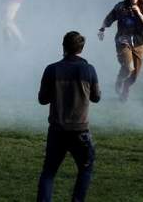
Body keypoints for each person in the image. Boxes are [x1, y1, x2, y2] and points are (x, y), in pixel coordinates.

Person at [36, 31, 101, 202]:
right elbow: (96, 97)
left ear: (63, 46)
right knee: (85, 169)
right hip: (80, 130)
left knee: (49, 173)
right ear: (81, 48)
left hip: (57, 130)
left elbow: (42, 99)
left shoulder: (51, 69)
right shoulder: (88, 69)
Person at [99, 0, 143, 101]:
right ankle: (119, 80)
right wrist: (102, 29)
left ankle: (126, 87)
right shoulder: (120, 8)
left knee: (134, 76)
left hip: (139, 43)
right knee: (129, 68)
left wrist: (139, 13)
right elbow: (109, 18)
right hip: (123, 41)